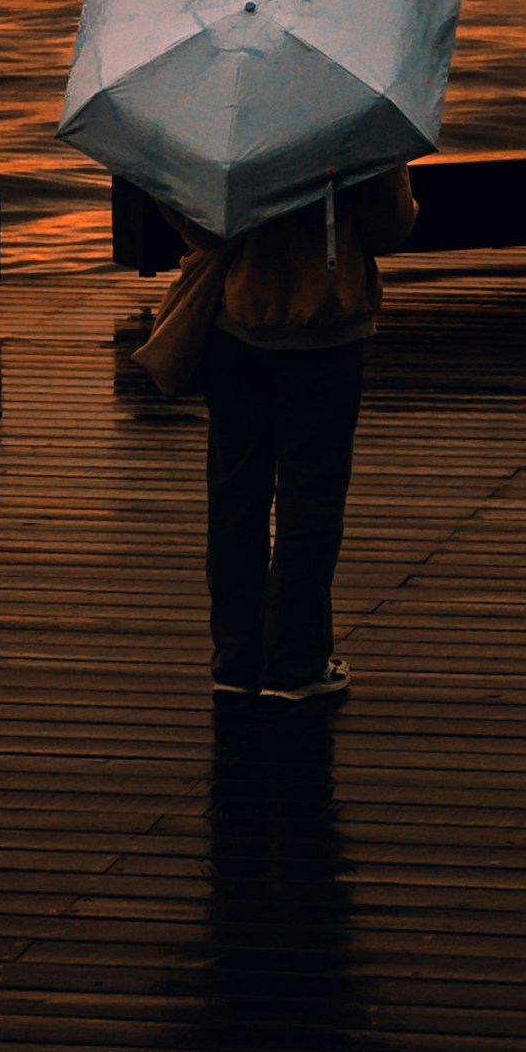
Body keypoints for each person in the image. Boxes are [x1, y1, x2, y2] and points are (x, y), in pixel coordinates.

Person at [168, 163, 416, 704]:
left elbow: (200, 229)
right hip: (327, 332)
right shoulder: (355, 121)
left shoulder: (223, 123)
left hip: (237, 325)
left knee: (236, 496)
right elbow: (391, 228)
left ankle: (236, 660)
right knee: (312, 498)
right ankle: (295, 663)